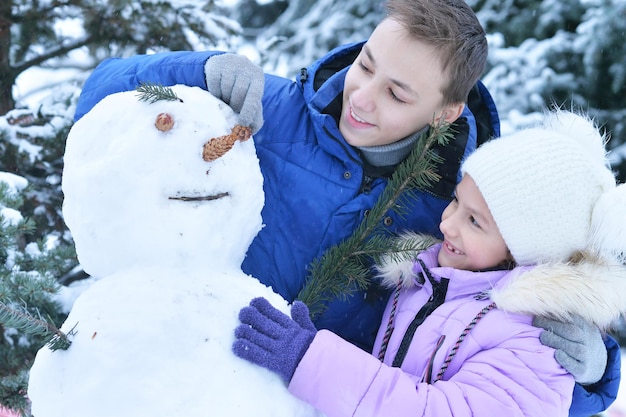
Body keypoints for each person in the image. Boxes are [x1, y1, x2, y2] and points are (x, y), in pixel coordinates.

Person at [70, 0, 619, 413]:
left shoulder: (458, 210)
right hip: (186, 365)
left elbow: (492, 364)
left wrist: (595, 376)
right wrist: (196, 71)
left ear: (444, 113)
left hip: (314, 400)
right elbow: (100, 98)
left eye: (398, 94)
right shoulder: (272, 112)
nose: (360, 96)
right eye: (366, 64)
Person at [232, 110, 626, 417]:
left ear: (521, 251)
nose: (447, 223)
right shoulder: (437, 283)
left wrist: (313, 361)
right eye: (456, 200)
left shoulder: (538, 339)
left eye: (475, 221)